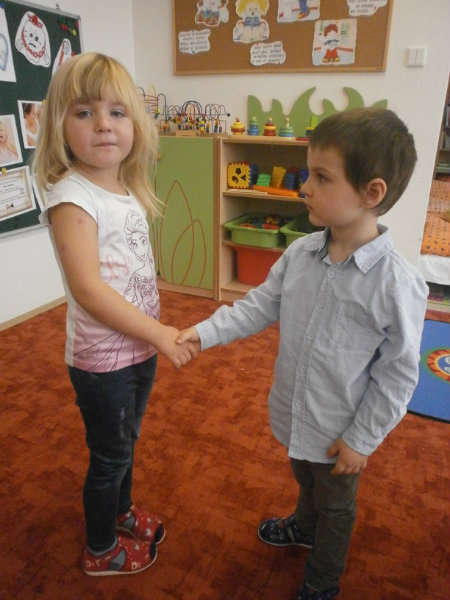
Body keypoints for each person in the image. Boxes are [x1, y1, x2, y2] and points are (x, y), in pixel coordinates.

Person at [177, 108, 429, 599]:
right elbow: (257, 307)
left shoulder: (397, 284)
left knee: (335, 507)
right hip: (296, 414)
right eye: (307, 173)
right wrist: (203, 333)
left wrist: (362, 439)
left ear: (371, 193)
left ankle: (321, 582)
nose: (304, 188)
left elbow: (398, 376)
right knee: (305, 479)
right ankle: (303, 525)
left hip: (341, 432)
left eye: (321, 177)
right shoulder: (299, 253)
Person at [33, 52, 198, 576]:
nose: (103, 124)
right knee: (108, 456)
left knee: (127, 441)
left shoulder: (124, 188)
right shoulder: (71, 196)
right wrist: (160, 332)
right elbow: (88, 289)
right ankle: (100, 548)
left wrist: (151, 337)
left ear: (135, 125)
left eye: (117, 112)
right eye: (84, 112)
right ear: (60, 126)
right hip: (103, 361)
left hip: (138, 348)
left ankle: (121, 511)